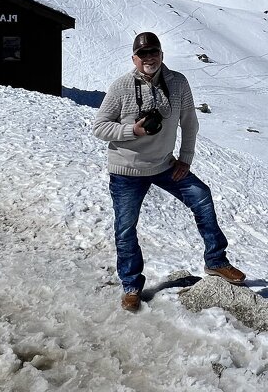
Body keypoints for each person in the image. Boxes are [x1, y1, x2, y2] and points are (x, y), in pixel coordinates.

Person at [91, 32, 245, 312]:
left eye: (154, 52)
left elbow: (189, 122)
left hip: (164, 165)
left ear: (162, 55)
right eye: (143, 54)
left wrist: (185, 159)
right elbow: (100, 127)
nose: (149, 58)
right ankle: (131, 286)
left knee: (201, 196)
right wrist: (132, 130)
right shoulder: (121, 87)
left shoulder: (178, 83)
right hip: (126, 170)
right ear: (134, 58)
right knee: (125, 229)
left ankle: (216, 261)